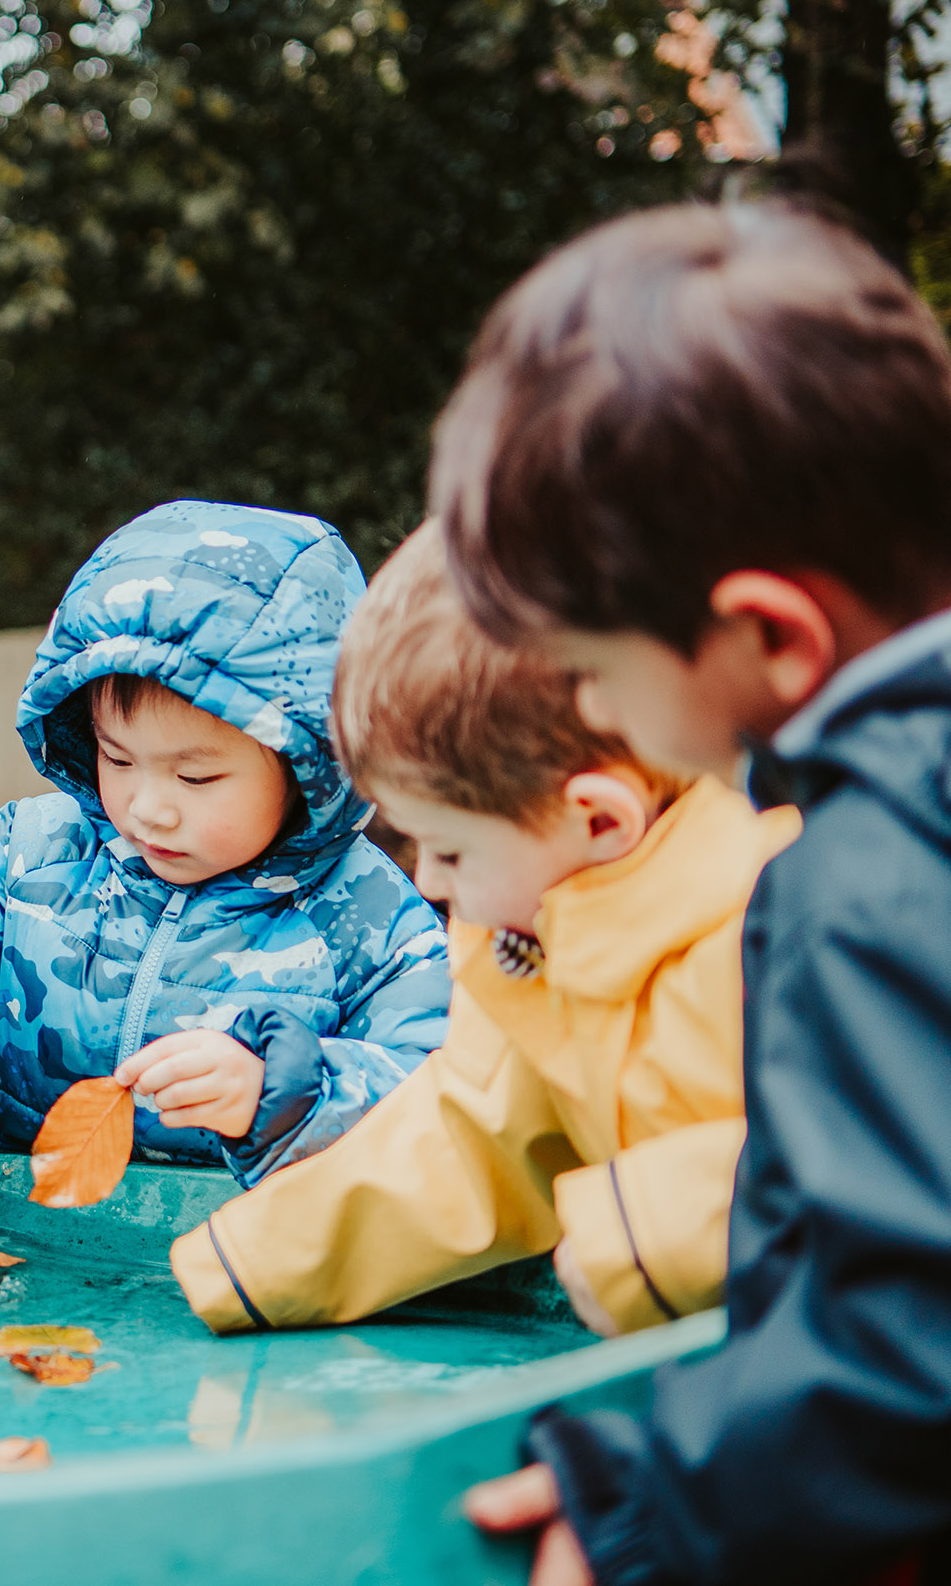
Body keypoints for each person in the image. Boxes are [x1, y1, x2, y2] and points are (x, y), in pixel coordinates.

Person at [430, 203, 951, 1586]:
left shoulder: (870, 874)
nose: (594, 708)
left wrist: (650, 1502)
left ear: (771, 634)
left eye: (593, 662)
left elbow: (910, 1328)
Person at [167, 526, 796, 1337]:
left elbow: (872, 1154)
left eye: (453, 847)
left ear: (598, 818)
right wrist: (248, 1263)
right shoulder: (527, 940)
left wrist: (643, 1237)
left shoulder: (782, 921)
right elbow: (473, 1135)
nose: (428, 878)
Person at [0, 502, 450, 1184]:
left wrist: (285, 1095)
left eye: (196, 774)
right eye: (118, 759)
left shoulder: (366, 917)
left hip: (223, 1250)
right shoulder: (32, 851)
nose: (148, 808)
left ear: (310, 762)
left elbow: (441, 1090)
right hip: (2, 1224)